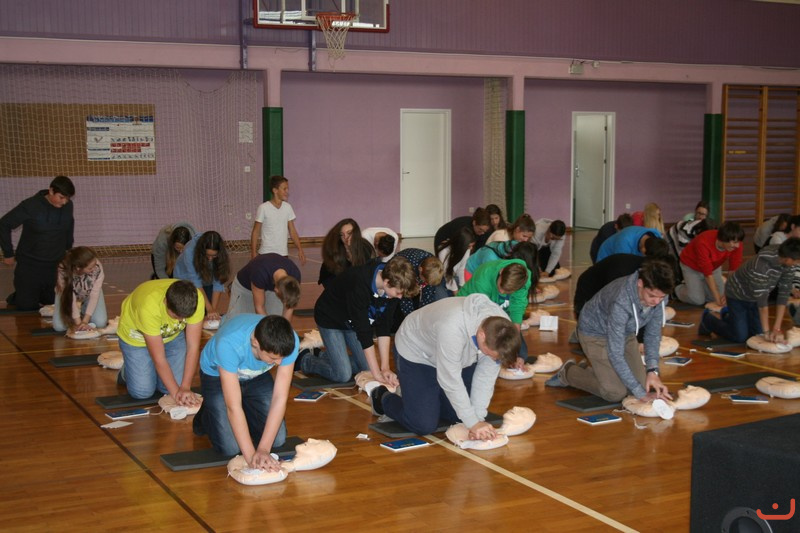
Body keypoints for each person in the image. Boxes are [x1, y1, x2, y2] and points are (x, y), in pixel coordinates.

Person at [370, 293, 520, 438]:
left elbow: (485, 378)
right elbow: (450, 379)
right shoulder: (453, 327)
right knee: (423, 424)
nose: (492, 359)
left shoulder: (502, 329)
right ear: (481, 335)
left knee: (462, 416)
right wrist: (473, 423)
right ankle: (382, 397)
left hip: (457, 355)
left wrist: (477, 420)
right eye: (490, 353)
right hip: (417, 351)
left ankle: (420, 395)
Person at [546, 258, 675, 404]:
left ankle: (594, 370)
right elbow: (615, 353)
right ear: (640, 283)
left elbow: (652, 335)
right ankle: (569, 372)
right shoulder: (621, 300)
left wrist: (653, 371)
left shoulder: (660, 294)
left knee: (638, 386)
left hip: (624, 332)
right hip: (594, 334)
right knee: (615, 392)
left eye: (661, 297)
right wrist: (640, 394)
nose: (657, 302)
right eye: (652, 296)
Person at [193, 314, 299, 469]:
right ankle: (208, 412)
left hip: (255, 374)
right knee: (231, 448)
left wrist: (263, 449)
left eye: (282, 358)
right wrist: (252, 459)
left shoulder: (289, 341)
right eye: (273, 358)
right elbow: (233, 407)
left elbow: (280, 398)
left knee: (277, 440)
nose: (279, 363)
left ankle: (242, 406)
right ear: (256, 343)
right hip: (217, 375)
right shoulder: (228, 344)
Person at [300, 256, 418, 385]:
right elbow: (364, 332)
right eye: (398, 293)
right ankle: (305, 359)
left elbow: (384, 327)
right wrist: (376, 374)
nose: (400, 297)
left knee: (367, 368)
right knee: (343, 374)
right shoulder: (359, 283)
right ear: (386, 282)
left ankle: (326, 356)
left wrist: (385, 368)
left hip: (351, 322)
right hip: (330, 318)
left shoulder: (393, 285)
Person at [117, 279, 204, 404]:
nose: (181, 321)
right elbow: (159, 358)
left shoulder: (196, 299)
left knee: (167, 388)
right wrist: (176, 394)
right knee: (142, 392)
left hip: (171, 335)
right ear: (165, 302)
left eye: (185, 318)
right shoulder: (148, 307)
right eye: (176, 316)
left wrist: (185, 387)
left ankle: (148, 370)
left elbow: (193, 347)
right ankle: (126, 371)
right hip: (137, 339)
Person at [699, 238, 800, 344]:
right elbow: (762, 305)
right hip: (737, 295)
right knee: (740, 337)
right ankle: (708, 320)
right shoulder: (761, 266)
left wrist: (776, 328)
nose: (798, 263)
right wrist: (766, 332)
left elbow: (783, 294)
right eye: (798, 261)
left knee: (755, 334)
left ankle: (729, 316)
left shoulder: (790, 264)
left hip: (755, 297)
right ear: (788, 259)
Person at [0, 175, 75, 310]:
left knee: (53, 304)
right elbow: (4, 224)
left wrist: (68, 250)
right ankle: (20, 295)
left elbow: (69, 226)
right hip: (30, 265)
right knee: (27, 306)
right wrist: (8, 253)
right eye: (61, 197)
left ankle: (35, 293)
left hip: (54, 265)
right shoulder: (31, 205)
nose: (64, 202)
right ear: (51, 191)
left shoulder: (68, 206)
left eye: (67, 198)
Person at [574, 237, 670, 320]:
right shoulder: (623, 273)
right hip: (589, 289)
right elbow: (614, 300)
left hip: (606, 283)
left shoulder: (642, 270)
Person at [458, 258, 532, 363]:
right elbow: (479, 311)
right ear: (501, 271)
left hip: (497, 308)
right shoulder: (484, 276)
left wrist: (516, 350)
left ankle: (519, 359)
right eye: (501, 285)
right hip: (467, 307)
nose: (501, 291)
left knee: (512, 340)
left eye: (508, 291)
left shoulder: (523, 281)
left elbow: (517, 308)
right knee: (482, 345)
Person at [674, 221, 744, 307]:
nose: (737, 246)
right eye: (734, 242)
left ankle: (699, 286)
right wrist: (718, 300)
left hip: (714, 266)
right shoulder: (703, 242)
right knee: (697, 300)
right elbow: (708, 274)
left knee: (720, 297)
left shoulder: (736, 244)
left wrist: (727, 293)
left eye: (738, 242)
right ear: (723, 239)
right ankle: (677, 289)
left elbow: (733, 270)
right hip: (691, 266)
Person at [226, 253, 301, 322]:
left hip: (268, 287)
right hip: (245, 288)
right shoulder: (260, 273)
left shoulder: (295, 275)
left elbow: (289, 306)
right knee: (237, 323)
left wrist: (283, 329)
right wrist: (269, 329)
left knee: (276, 321)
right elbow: (259, 307)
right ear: (276, 290)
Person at [173, 230, 231, 320]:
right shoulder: (190, 251)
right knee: (189, 309)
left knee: (206, 310)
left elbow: (218, 281)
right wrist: (209, 309)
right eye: (207, 255)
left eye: (214, 256)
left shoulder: (221, 252)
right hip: (185, 278)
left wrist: (212, 309)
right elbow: (195, 281)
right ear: (202, 250)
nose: (210, 259)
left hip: (206, 277)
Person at [250, 175, 306, 265]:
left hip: (283, 254)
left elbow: (292, 231)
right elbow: (255, 231)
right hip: (266, 253)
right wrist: (253, 253)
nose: (287, 192)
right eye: (284, 189)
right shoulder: (263, 208)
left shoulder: (288, 207)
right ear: (275, 190)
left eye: (287, 189)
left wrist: (300, 249)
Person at [53, 246, 108, 332]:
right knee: (60, 327)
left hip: (90, 292)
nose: (94, 269)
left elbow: (94, 294)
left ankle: (83, 309)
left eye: (94, 265)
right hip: (67, 295)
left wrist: (85, 321)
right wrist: (78, 322)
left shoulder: (96, 266)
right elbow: (70, 298)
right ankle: (76, 311)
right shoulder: (63, 269)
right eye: (90, 268)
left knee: (100, 322)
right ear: (78, 268)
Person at [318, 218, 372, 288]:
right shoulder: (335, 249)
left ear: (356, 233)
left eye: (349, 233)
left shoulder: (365, 247)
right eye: (342, 234)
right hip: (332, 278)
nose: (346, 237)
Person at [394, 248, 446, 317]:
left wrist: (423, 314)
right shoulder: (408, 269)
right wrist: (411, 317)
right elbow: (405, 297)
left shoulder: (433, 268)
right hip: (396, 271)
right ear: (420, 269)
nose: (426, 284)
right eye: (425, 281)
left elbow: (428, 295)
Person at [436, 226, 475, 293]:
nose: (471, 248)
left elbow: (462, 269)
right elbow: (447, 274)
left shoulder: (466, 249)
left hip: (453, 277)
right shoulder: (444, 252)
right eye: (469, 246)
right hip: (441, 278)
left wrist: (462, 287)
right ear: (460, 245)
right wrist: (456, 292)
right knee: (446, 298)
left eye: (472, 246)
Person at [595, 225, 662, 263]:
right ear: (643, 249)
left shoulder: (657, 237)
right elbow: (621, 267)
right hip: (606, 256)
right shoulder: (624, 243)